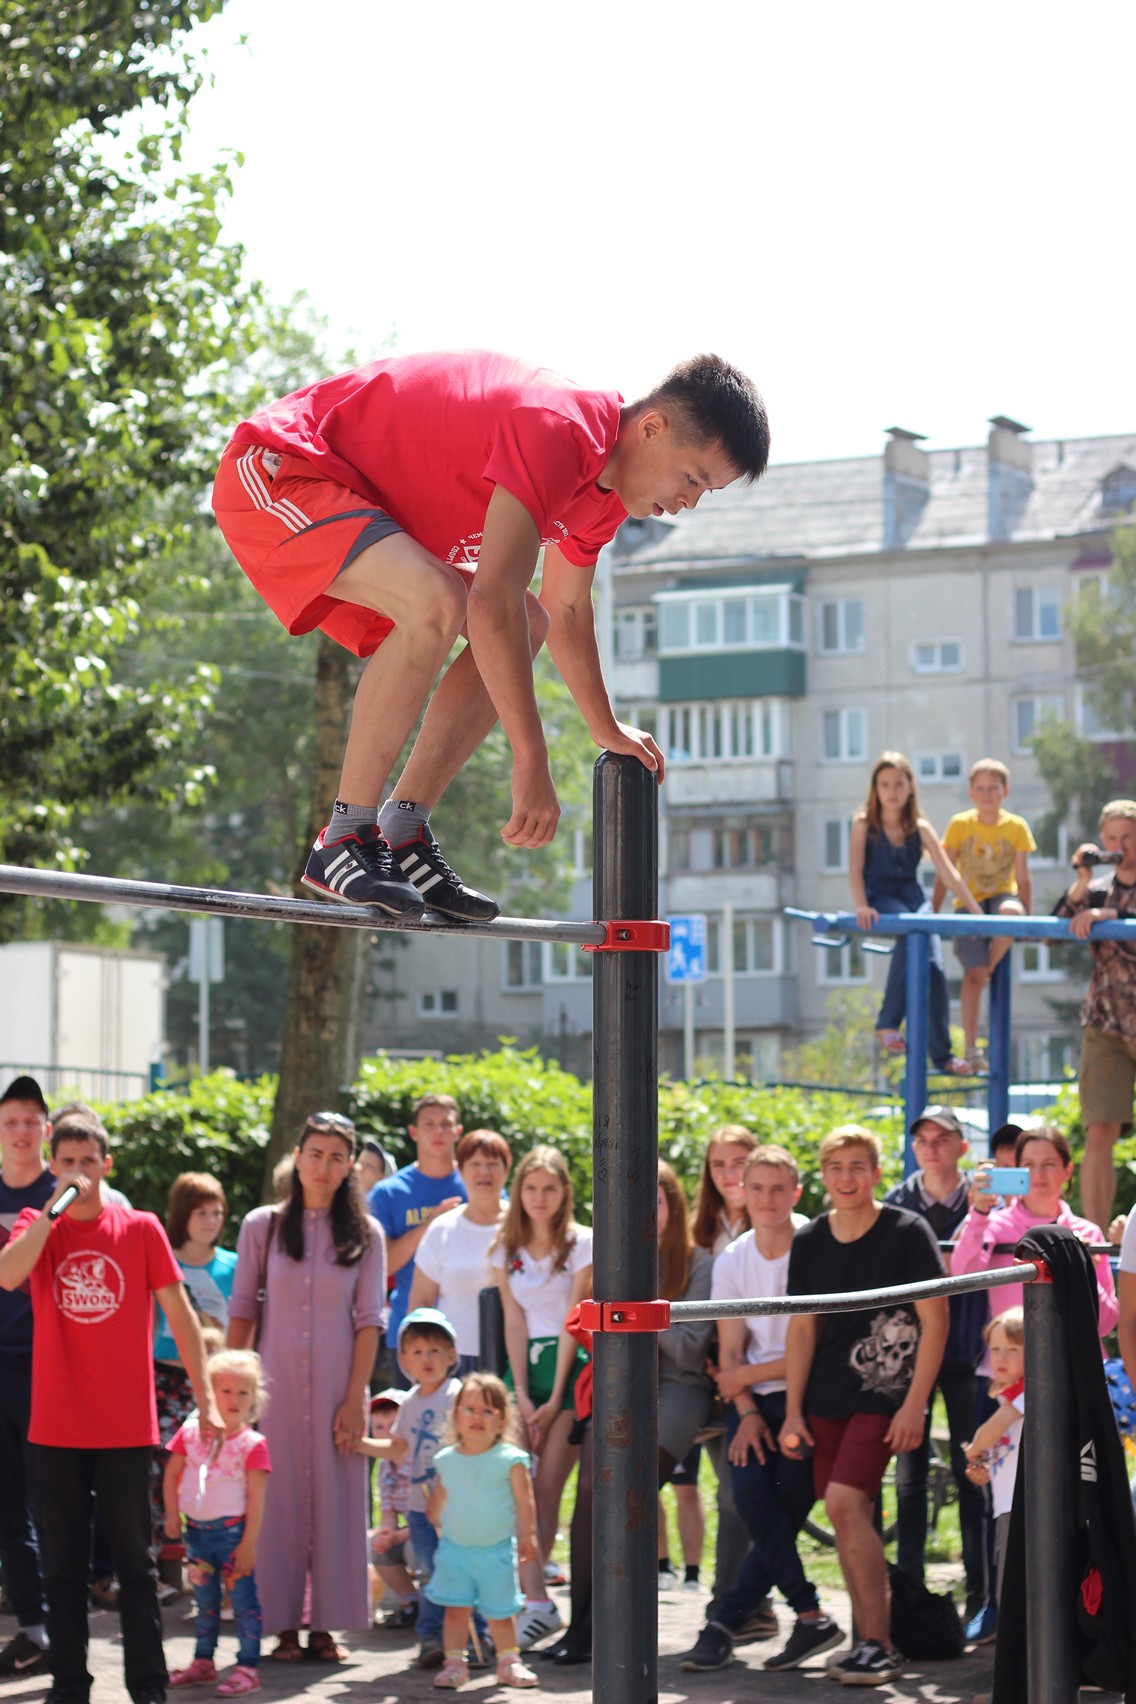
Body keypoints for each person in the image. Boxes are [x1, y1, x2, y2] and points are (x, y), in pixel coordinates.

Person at [213, 351, 768, 918]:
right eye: (692, 479)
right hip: (284, 467)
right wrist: (530, 759)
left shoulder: (604, 497)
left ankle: (402, 830)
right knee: (441, 602)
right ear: (652, 429)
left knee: (527, 623)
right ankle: (344, 836)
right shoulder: (560, 428)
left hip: (364, 507)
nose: (687, 504)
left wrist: (606, 728)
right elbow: (492, 598)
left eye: (706, 493)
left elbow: (567, 608)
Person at [0, 1112, 222, 1704]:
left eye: (88, 1163)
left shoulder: (142, 1228)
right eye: (66, 1162)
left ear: (107, 1166)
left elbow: (182, 1316)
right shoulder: (35, 1225)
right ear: (52, 1165)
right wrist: (50, 1214)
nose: (77, 1173)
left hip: (125, 1427)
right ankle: (70, 1686)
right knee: (63, 1570)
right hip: (54, 1428)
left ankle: (147, 1687)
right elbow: (8, 1274)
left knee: (136, 1567)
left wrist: (207, 1400)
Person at [780, 1125, 948, 1686]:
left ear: (877, 1173)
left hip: (885, 1393)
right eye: (836, 1167)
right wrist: (794, 1411)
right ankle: (866, 1641)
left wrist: (915, 1405)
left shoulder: (907, 1230)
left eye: (858, 1166)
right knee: (844, 1510)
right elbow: (802, 1330)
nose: (847, 1177)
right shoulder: (808, 1242)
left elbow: (935, 1320)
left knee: (845, 1506)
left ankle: (881, 1644)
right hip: (826, 1396)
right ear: (823, 1177)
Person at [227, 1109, 386, 1663]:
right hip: (271, 1390)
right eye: (315, 1154)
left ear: (350, 1168)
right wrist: (231, 1393)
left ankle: (328, 1627)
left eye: (337, 1158)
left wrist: (354, 1398)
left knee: (340, 1501)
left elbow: (370, 1320)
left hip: (342, 1387)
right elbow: (243, 1311)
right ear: (297, 1158)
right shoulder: (260, 1226)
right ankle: (282, 1627)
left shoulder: (367, 1234)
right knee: (274, 1503)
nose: (324, 1166)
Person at [680, 1146, 842, 1675]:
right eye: (758, 1189)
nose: (767, 1199)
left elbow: (809, 1347)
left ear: (795, 1193)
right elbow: (729, 1351)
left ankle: (723, 1624)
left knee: (782, 1512)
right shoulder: (733, 1259)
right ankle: (808, 1613)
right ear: (742, 1194)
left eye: (779, 1189)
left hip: (806, 1400)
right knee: (751, 1500)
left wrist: (745, 1380)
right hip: (755, 1407)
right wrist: (745, 1409)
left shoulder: (816, 1245)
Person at [882, 1107, 988, 1628]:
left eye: (942, 1138)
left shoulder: (984, 1200)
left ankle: (981, 1591)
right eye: (921, 1138)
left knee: (975, 1473)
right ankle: (907, 1593)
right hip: (910, 1358)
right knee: (908, 1478)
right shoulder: (896, 1203)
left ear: (961, 1146)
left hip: (969, 1352)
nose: (930, 1146)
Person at [489, 1145, 590, 1644]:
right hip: (523, 1375)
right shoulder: (504, 1250)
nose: (540, 1197)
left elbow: (575, 1318)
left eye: (549, 1188)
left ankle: (539, 1595)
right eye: (531, 1188)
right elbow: (513, 1321)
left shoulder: (581, 1245)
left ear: (564, 1192)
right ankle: (532, 1599)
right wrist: (524, 1394)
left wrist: (554, 1399)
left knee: (548, 1489)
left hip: (570, 1373)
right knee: (518, 1488)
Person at [850, 750, 980, 1071]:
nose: (892, 791)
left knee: (934, 965)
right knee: (912, 934)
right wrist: (861, 905)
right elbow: (854, 869)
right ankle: (887, 1021)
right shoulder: (864, 824)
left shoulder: (920, 827)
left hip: (911, 896)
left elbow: (948, 873)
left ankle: (942, 1055)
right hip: (881, 897)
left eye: (898, 783)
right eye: (884, 785)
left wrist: (976, 912)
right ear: (875, 789)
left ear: (910, 787)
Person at [355, 1306, 462, 1670]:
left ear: (452, 1355)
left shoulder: (456, 1395)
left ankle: (476, 1638)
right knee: (434, 1572)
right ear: (403, 1359)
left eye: (435, 1350)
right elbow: (398, 1449)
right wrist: (360, 1445)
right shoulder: (410, 1401)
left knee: (459, 1571)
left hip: (455, 1508)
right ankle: (432, 1636)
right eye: (416, 1352)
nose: (426, 1359)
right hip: (419, 1509)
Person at [164, 1349, 271, 1696]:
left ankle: (247, 1667)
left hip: (233, 1536)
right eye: (226, 1391)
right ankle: (204, 1662)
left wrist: (248, 1544)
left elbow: (256, 1498)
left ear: (254, 1397)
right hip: (197, 1536)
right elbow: (172, 1474)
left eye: (243, 1392)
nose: (235, 1399)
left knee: (243, 1604)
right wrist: (171, 1514)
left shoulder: (253, 1444)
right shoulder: (190, 1433)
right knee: (205, 1602)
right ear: (207, 1393)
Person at [424, 1371, 540, 1690]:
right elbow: (440, 1498)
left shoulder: (510, 1459)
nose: (478, 1417)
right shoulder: (446, 1459)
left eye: (488, 1411)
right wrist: (433, 1512)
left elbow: (524, 1499)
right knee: (455, 1612)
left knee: (501, 1613)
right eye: (470, 1409)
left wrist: (528, 1535)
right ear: (455, 1415)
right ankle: (454, 1664)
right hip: (455, 1551)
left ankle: (508, 1663)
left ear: (502, 1420)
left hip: (496, 1550)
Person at [689, 1126, 761, 1620]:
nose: (729, 1173)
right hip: (709, 1375)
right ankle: (737, 1603)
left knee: (747, 1496)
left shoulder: (778, 1221)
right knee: (730, 1494)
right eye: (719, 1165)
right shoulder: (700, 1230)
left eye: (739, 1162)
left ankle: (739, 1603)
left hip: (763, 1372)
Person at [1054, 798, 1136, 1230]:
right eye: (1112, 839)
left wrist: (1111, 916)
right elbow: (1054, 932)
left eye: (1128, 837)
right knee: (1099, 1132)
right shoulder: (1098, 887)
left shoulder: (1110, 901)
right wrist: (1081, 879)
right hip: (1105, 1024)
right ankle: (1097, 1246)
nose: (1120, 846)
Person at [953, 1124, 1118, 1330]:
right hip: (1012, 1357)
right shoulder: (992, 1224)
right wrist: (978, 1213)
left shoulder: (1088, 1232)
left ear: (1067, 1171)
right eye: (1029, 1164)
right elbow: (962, 1277)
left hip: (1073, 1358)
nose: (1038, 1173)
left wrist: (1085, 1273)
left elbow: (1106, 1324)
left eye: (1048, 1164)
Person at [0, 1075, 55, 1680]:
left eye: (29, 1122)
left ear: (44, 1128)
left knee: (54, 1505)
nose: (20, 1132)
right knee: (8, 1512)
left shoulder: (59, 1193)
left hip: (47, 1371)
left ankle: (63, 1626)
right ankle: (32, 1630)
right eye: (10, 1122)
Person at [933, 757, 1036, 1072]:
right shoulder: (961, 824)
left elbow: (1023, 876)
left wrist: (1028, 919)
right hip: (969, 901)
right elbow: (945, 871)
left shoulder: (1016, 826)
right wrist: (933, 913)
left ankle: (990, 964)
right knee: (974, 975)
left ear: (1004, 791)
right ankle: (971, 1046)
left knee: (1011, 911)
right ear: (971, 793)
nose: (987, 794)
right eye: (980, 788)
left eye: (993, 788)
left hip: (1002, 897)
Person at [152, 1174, 238, 1548]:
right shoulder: (160, 1259)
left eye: (217, 1212)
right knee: (163, 1468)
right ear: (182, 1214)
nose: (210, 1220)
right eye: (201, 1212)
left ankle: (215, 1554)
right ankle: (166, 1550)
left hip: (218, 1383)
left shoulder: (234, 1265)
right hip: (164, 1378)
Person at [369, 1094, 467, 1376]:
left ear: (458, 1132)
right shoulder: (389, 1192)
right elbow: (383, 1265)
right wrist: (431, 1223)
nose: (438, 1132)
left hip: (469, 1331)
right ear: (414, 1132)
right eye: (429, 1124)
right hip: (411, 1331)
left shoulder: (479, 1184)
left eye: (445, 1125)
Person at [408, 1129, 512, 1371]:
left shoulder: (524, 1225)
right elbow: (420, 1302)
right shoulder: (442, 1229)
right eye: (475, 1164)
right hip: (455, 1360)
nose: (484, 1172)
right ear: (461, 1171)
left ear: (506, 1171)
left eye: (492, 1164)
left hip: (515, 1358)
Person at [962, 1309, 1025, 1612]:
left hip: (1022, 1507)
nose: (1001, 1357)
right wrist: (983, 1465)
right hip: (1007, 1505)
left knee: (1017, 1589)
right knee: (1010, 1586)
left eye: (1013, 1349)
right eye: (996, 1348)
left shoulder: (1026, 1392)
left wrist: (974, 1448)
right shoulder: (1009, 1395)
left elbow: (990, 1432)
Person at [367, 1389, 418, 1628]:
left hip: (426, 1531)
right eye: (379, 1427)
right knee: (377, 1546)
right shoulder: (385, 1467)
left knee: (416, 1550)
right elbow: (388, 1512)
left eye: (393, 1423)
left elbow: (430, 1515)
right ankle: (412, 1602)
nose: (387, 1432)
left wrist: (398, 1535)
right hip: (406, 1532)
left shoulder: (420, 1460)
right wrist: (387, 1534)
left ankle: (436, 1609)